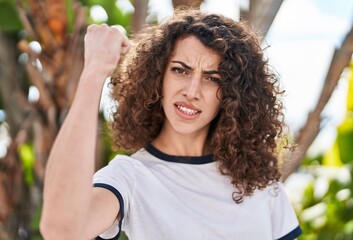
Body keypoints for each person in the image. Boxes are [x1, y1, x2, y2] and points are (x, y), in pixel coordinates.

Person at [40, 9, 302, 240]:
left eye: (213, 79)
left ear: (233, 94)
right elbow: (61, 232)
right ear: (157, 77)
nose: (192, 91)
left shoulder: (258, 181)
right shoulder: (129, 177)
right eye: (180, 70)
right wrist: (95, 70)